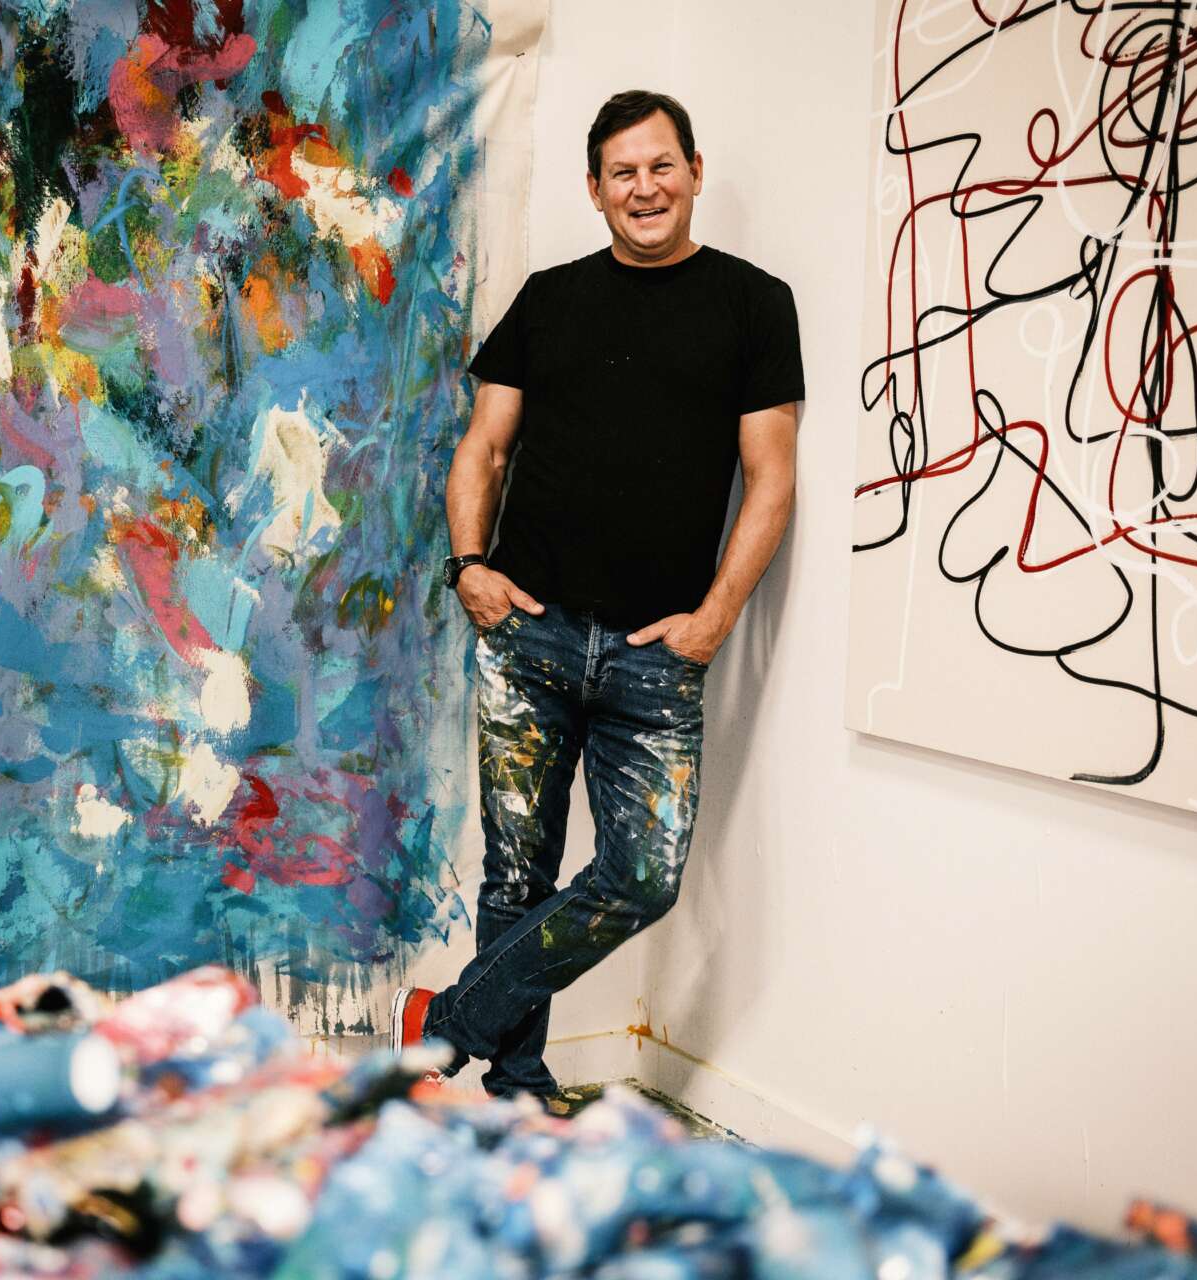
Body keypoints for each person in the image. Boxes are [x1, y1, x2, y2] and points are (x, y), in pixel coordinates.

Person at [391, 90, 803, 1104]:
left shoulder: (754, 303)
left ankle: (444, 1024)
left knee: (644, 877)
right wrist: (469, 565)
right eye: (623, 172)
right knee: (514, 877)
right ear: (595, 189)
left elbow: (772, 477)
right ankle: (515, 1088)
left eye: (661, 166)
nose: (644, 187)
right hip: (528, 636)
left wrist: (715, 619)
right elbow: (484, 448)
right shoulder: (550, 298)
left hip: (657, 656)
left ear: (695, 172)